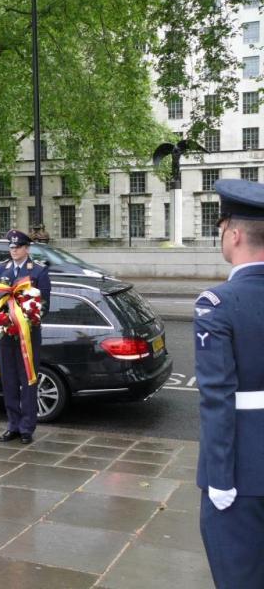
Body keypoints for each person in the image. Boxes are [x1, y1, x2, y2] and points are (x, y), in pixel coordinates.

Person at [195, 178, 264, 589]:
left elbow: (217, 399)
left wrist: (221, 479)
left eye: (221, 229)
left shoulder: (217, 304)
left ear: (234, 234)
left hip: (243, 472)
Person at [0, 229, 51, 445]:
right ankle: (13, 425)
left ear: (27, 249)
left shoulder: (38, 272)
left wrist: (26, 318)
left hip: (28, 336)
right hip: (6, 336)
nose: (13, 250)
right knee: (8, 381)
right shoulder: (1, 269)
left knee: (28, 381)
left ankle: (27, 428)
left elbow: (44, 305)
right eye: (11, 247)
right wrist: (0, 320)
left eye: (17, 247)